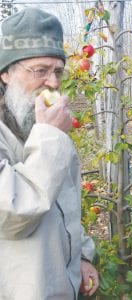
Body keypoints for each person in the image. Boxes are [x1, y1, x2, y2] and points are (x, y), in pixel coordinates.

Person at [0, 7, 99, 300]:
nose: (53, 83)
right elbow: (11, 213)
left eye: (57, 71)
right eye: (40, 71)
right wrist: (52, 138)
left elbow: (63, 202)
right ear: (5, 72)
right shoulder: (49, 134)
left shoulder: (40, 125)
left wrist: (81, 255)